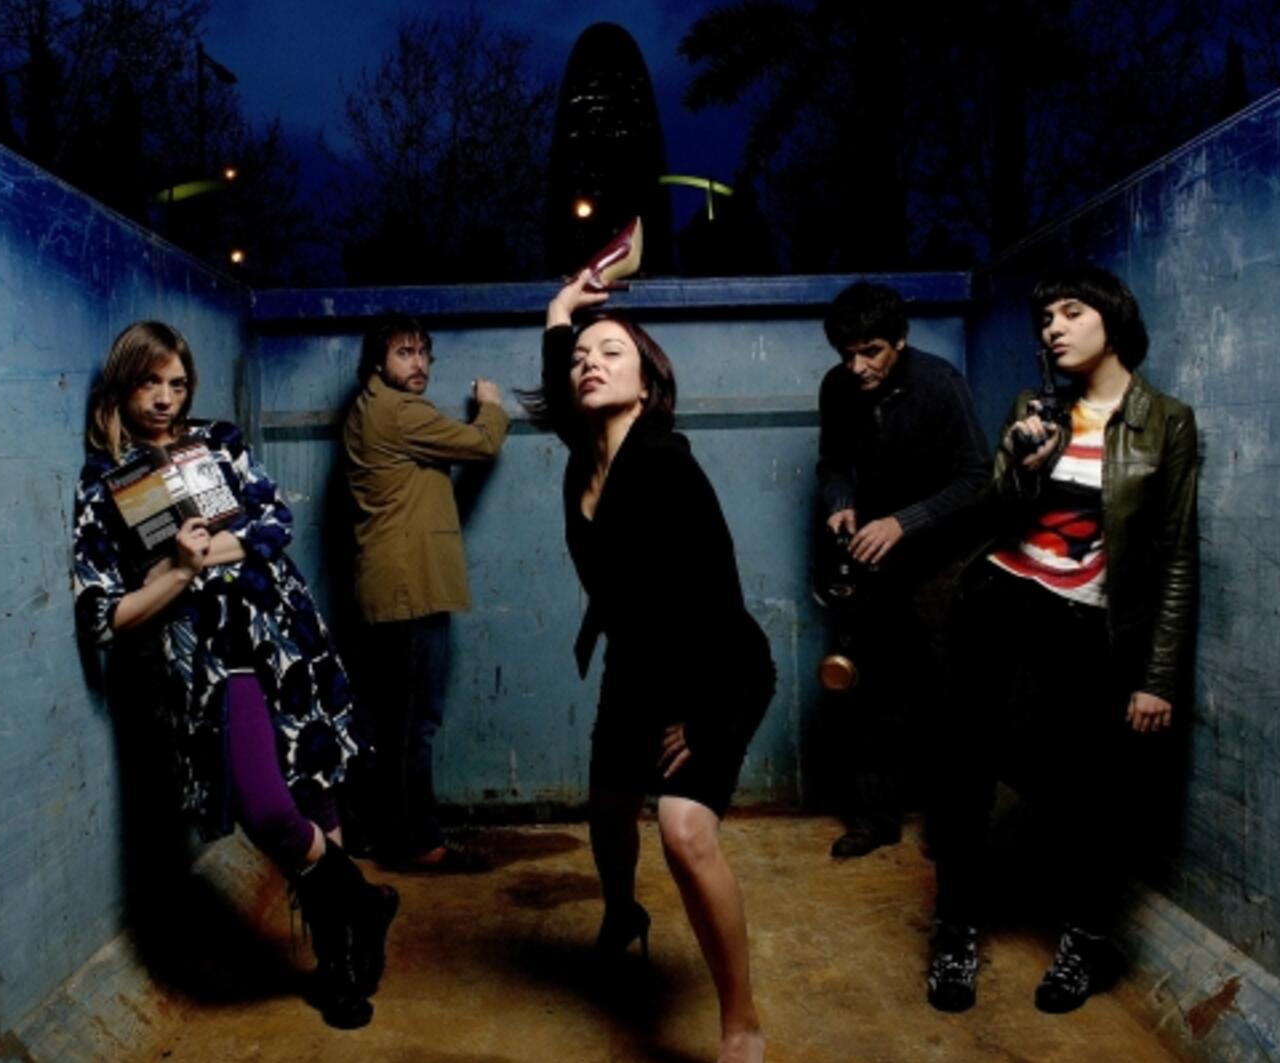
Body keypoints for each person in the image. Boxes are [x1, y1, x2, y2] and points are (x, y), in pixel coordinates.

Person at [70, 321, 398, 1030]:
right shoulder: (104, 482)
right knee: (267, 807)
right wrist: (179, 571)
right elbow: (102, 613)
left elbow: (274, 523)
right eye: (149, 382)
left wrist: (190, 558)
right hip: (209, 660)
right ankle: (363, 902)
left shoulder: (217, 441)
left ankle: (337, 959)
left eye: (177, 383)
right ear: (122, 384)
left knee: (313, 787)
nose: (165, 398)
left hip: (283, 631)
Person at [923, 265, 1199, 1015]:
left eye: (1071, 312)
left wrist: (1158, 677)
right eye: (1045, 318)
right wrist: (1024, 465)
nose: (1053, 328)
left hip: (1085, 623)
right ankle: (955, 931)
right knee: (963, 775)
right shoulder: (1034, 410)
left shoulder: (1166, 423)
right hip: (997, 603)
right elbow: (993, 515)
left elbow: (1176, 554)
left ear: (1113, 318)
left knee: (1091, 791)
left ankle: (1086, 938)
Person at [523, 276, 775, 1063]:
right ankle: (623, 911)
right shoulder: (584, 461)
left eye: (611, 352)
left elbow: (720, 602)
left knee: (684, 829)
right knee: (608, 807)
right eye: (581, 357)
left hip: (717, 668)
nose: (589, 363)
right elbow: (563, 387)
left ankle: (741, 1024)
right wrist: (560, 313)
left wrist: (705, 719)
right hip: (636, 663)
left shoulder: (664, 463)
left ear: (647, 381)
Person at [814, 281, 990, 859]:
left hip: (942, 563)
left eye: (871, 352)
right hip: (873, 562)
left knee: (945, 698)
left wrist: (902, 522)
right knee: (871, 692)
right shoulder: (837, 387)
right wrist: (841, 501)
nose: (857, 367)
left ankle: (950, 826)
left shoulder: (941, 383)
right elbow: (832, 463)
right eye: (846, 354)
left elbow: (977, 479)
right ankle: (875, 820)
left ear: (901, 340)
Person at [342, 314, 509, 872]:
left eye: (423, 354)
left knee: (388, 720)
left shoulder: (367, 407)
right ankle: (418, 843)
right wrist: (491, 404)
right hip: (410, 587)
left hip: (388, 585)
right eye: (404, 353)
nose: (418, 364)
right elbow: (482, 443)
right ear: (378, 362)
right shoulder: (401, 411)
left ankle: (372, 830)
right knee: (414, 723)